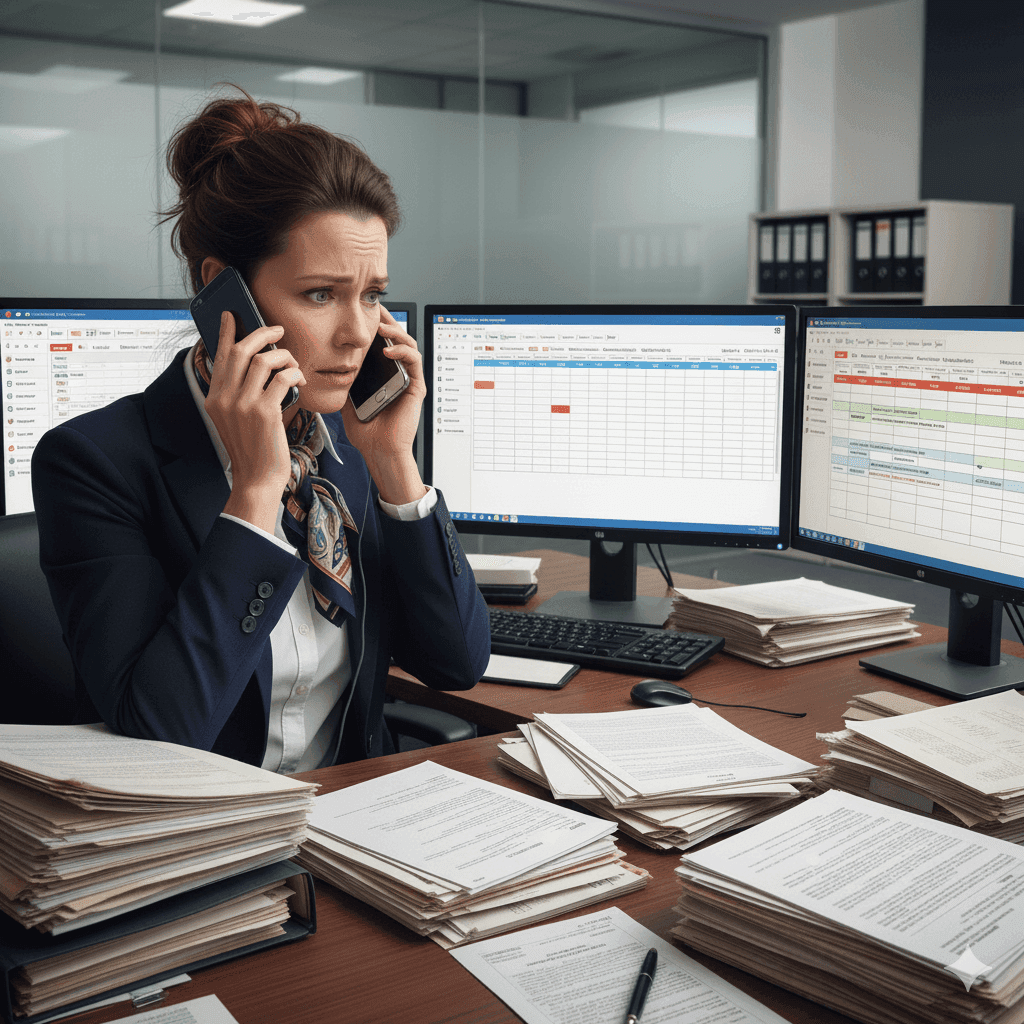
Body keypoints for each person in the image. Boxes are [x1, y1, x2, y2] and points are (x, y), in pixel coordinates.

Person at [31, 88, 489, 771]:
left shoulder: (350, 449)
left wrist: (397, 466)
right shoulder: (96, 462)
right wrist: (254, 494)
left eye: (371, 295)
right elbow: (160, 733)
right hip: (199, 840)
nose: (359, 332)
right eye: (319, 294)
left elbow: (456, 663)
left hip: (348, 819)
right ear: (226, 294)